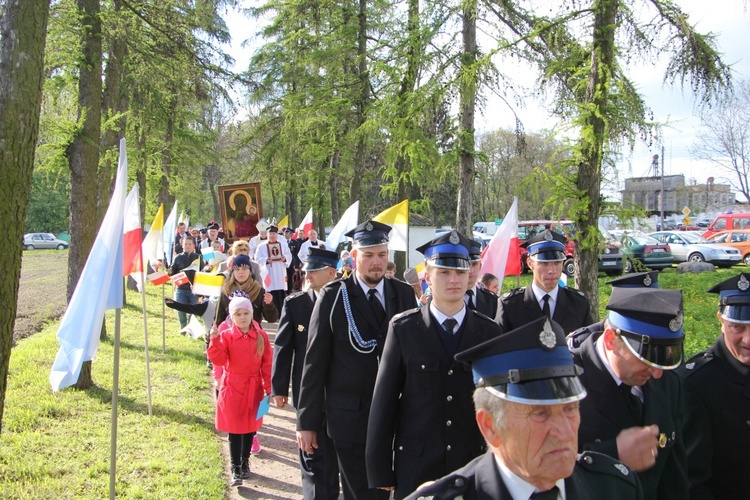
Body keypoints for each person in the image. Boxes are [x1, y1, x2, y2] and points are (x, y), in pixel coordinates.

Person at [407, 316, 642, 500]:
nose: (563, 430)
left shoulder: (615, 488)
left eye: (570, 409)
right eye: (540, 413)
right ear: (490, 427)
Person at [366, 230, 502, 499]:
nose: (454, 280)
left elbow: (499, 404)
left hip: (472, 462)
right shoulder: (404, 328)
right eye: (444, 272)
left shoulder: (488, 332)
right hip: (418, 463)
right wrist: (380, 468)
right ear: (427, 276)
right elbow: (385, 401)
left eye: (460, 273)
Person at [296, 220, 417, 500]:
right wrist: (307, 422)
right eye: (369, 255)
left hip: (399, 418)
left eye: (382, 255)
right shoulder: (333, 296)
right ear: (353, 256)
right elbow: (314, 363)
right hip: (351, 418)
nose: (377, 263)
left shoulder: (403, 294)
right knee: (361, 494)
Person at [571, 286, 688, 500]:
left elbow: (674, 478)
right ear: (610, 340)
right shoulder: (564, 383)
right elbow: (534, 474)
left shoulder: (668, 382)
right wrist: (611, 454)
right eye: (646, 357)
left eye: (663, 359)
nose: (657, 373)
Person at [271, 248, 341, 499]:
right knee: (313, 457)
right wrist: (278, 389)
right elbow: (283, 346)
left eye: (314, 270)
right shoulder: (295, 303)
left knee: (335, 458)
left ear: (331, 273)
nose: (307, 274)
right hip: (306, 392)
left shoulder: (346, 302)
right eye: (306, 269)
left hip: (340, 393)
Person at [677, 273, 750, 499]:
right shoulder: (698, 383)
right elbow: (693, 481)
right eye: (738, 328)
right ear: (720, 320)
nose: (748, 340)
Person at [207, 296, 272, 487]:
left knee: (250, 428)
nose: (242, 318)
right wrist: (214, 340)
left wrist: (269, 388)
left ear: (251, 314)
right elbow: (218, 360)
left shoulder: (261, 336)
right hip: (232, 388)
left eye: (246, 313)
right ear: (232, 317)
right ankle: (235, 467)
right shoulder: (226, 335)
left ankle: (245, 463)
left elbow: (267, 365)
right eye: (238, 314)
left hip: (255, 389)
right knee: (235, 430)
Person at [496, 230, 593, 334]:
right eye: (544, 264)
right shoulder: (511, 305)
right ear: (530, 263)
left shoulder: (578, 304)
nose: (552, 270)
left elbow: (587, 345)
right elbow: (498, 347)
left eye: (557, 263)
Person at [566, 271, 660, 349]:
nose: (651, 311)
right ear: (620, 305)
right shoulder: (581, 341)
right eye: (643, 306)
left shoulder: (662, 335)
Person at [254, 225, 292, 314]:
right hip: (268, 271)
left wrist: (285, 258)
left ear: (277, 235)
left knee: (281, 293)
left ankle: (282, 312)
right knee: (269, 292)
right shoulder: (261, 246)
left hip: (279, 271)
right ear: (267, 235)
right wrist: (266, 260)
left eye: (274, 234)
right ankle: (271, 313)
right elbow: (257, 258)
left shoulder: (282, 245)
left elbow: (289, 255)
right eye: (270, 234)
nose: (272, 236)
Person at [167, 235, 202, 329]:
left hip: (194, 288)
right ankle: (183, 326)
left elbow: (203, 271)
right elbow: (172, 271)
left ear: (194, 246)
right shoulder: (178, 258)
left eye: (190, 244)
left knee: (193, 309)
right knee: (180, 308)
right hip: (181, 287)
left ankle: (191, 328)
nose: (187, 246)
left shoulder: (198, 257)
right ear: (182, 245)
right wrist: (170, 271)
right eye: (185, 244)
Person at [465, 241, 499, 319]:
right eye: (466, 265)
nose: (471, 270)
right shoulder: (448, 299)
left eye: (474, 264)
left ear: (480, 266)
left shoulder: (491, 300)